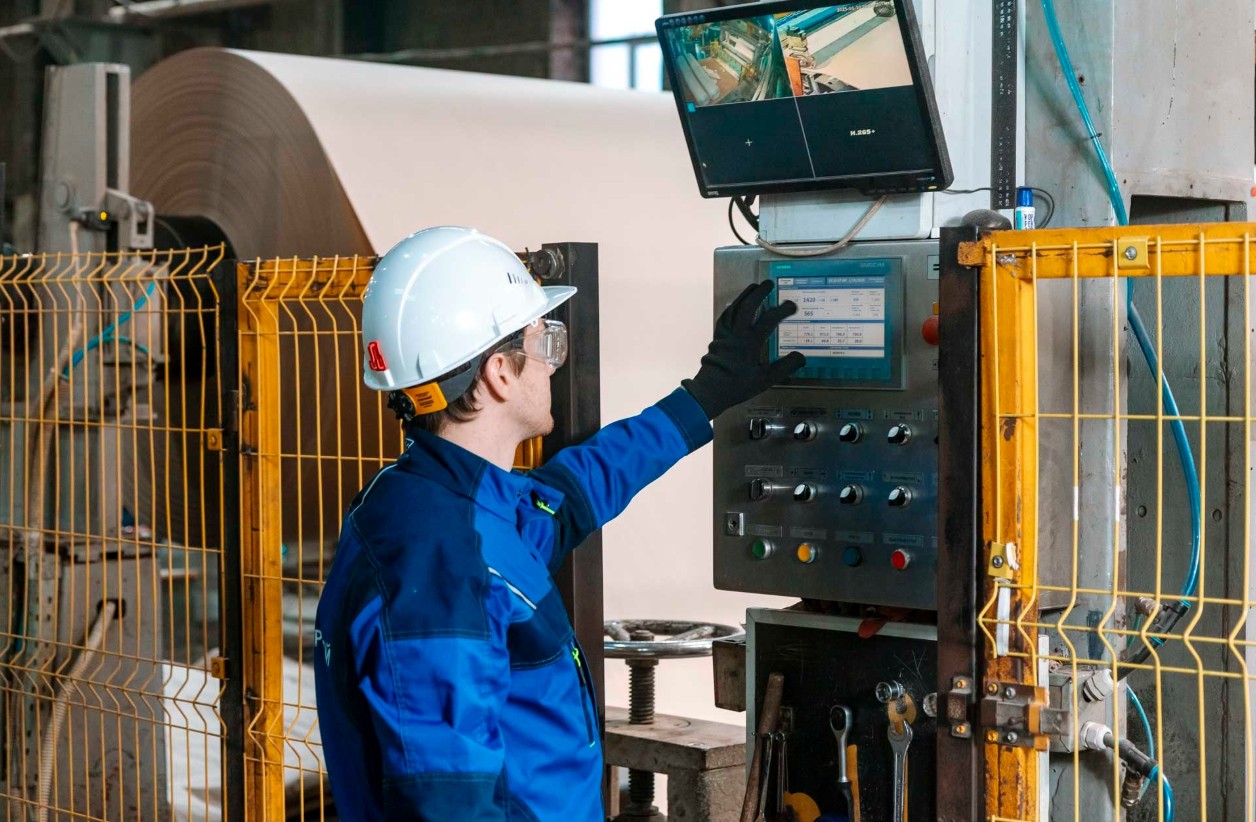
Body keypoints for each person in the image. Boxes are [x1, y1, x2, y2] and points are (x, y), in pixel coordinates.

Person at [313, 226, 804, 820]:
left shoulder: (434, 504)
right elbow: (449, 805)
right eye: (542, 341)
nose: (550, 365)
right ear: (499, 372)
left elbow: (568, 495)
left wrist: (704, 396)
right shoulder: (441, 569)